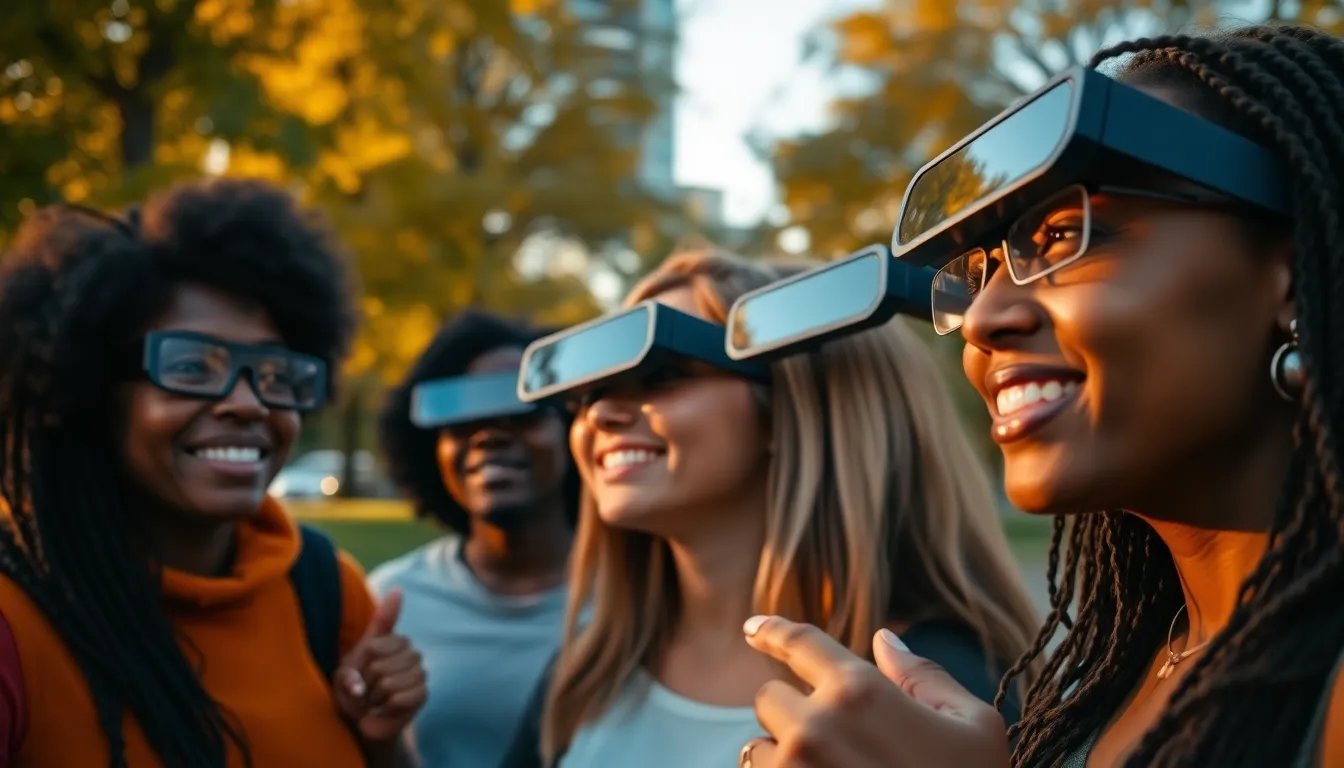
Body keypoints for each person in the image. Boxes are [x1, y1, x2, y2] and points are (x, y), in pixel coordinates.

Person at [736, 23, 1344, 768]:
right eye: (983, 270)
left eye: (1060, 237)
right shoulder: (1117, 671)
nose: (986, 319)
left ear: (1292, 276)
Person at [504, 249, 1039, 768]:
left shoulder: (936, 688)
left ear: (794, 412)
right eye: (588, 393)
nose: (600, 414)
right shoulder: (588, 669)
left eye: (661, 376)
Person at [0, 179, 426, 767]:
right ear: (91, 388)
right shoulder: (14, 615)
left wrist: (384, 740)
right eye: (193, 366)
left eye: (276, 374)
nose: (249, 403)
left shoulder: (324, 589)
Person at [372, 311, 580, 768]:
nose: (489, 434)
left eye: (522, 412)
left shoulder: (641, 596)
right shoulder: (388, 601)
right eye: (461, 419)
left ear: (573, 429)